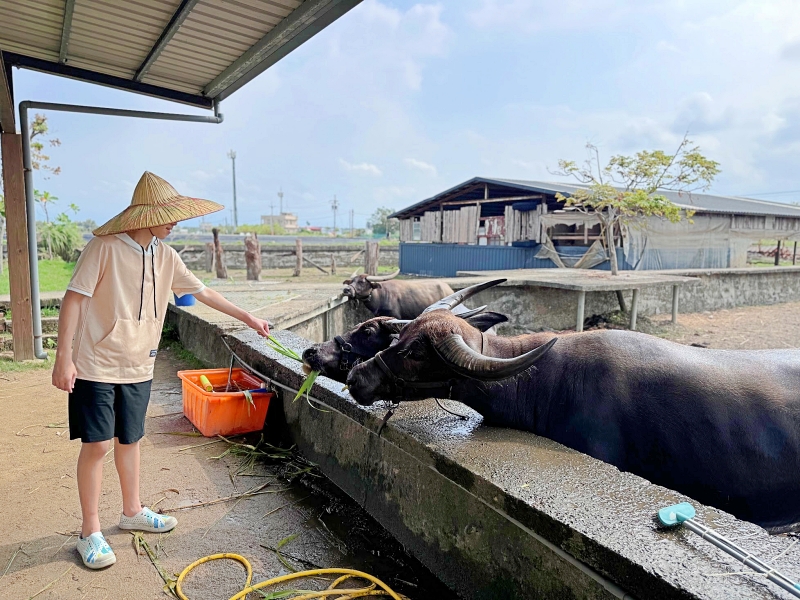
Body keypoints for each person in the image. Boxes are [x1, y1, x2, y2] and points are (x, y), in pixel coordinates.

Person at [52, 172, 270, 569]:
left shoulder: (166, 255)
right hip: (96, 364)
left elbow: (202, 292)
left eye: (176, 215)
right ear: (143, 214)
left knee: (131, 440)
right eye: (167, 214)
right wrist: (63, 357)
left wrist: (247, 316)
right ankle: (90, 530)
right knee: (98, 445)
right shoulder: (103, 248)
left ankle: (132, 511)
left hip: (140, 363)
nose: (175, 221)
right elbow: (74, 300)